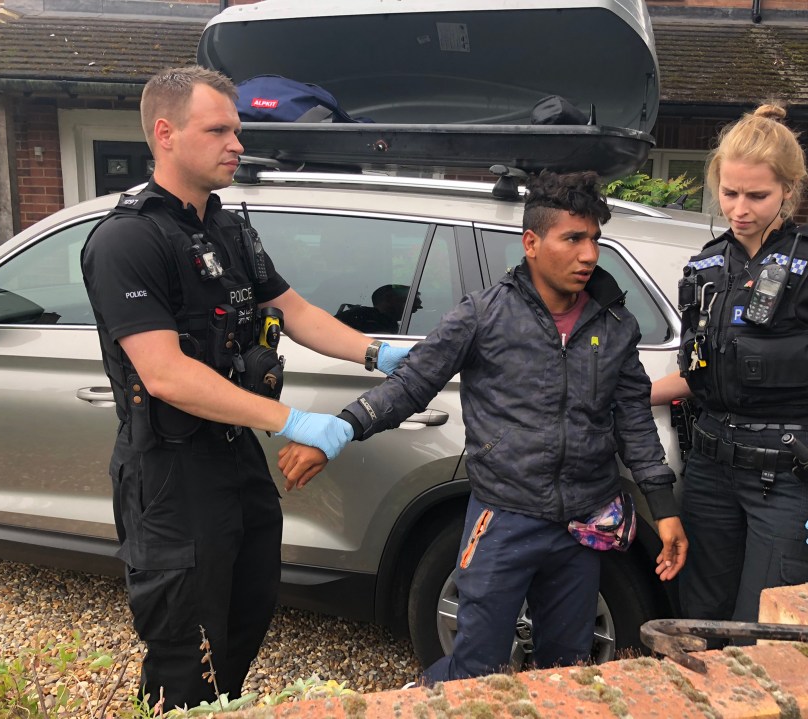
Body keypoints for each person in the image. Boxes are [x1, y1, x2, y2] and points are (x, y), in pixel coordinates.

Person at [80, 66, 408, 710]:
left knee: (246, 614)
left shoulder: (226, 230)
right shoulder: (128, 238)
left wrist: (380, 352)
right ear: (166, 134)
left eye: (238, 129)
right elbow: (166, 373)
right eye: (220, 129)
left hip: (235, 459)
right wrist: (292, 420)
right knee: (187, 649)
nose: (237, 143)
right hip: (172, 473)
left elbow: (298, 311)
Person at [278, 170, 688, 683]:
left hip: (583, 525)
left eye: (595, 241)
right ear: (532, 243)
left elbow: (633, 420)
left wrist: (664, 509)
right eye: (574, 239)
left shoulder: (615, 325)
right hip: (504, 520)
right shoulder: (483, 316)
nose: (589, 255)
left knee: (568, 671)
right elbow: (411, 384)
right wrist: (340, 430)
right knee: (476, 667)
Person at [650, 102, 808, 625]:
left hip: (785, 478)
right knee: (701, 619)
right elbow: (699, 375)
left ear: (788, 188)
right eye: (729, 193)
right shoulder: (707, 265)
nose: (740, 208)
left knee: (767, 628)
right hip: (710, 475)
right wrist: (626, 392)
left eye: (757, 195)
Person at [335, 283, 423, 334]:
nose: (416, 310)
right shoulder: (360, 319)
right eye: (412, 305)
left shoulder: (389, 322)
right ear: (390, 299)